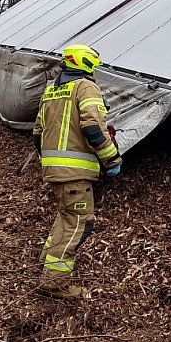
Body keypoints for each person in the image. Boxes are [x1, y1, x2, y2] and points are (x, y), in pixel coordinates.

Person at [32, 44, 122, 298]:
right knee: (80, 224)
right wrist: (112, 160)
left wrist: (50, 162)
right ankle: (55, 284)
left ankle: (45, 265)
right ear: (87, 64)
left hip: (55, 172)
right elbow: (93, 128)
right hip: (75, 174)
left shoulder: (51, 90)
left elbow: (37, 133)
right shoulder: (85, 87)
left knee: (66, 218)